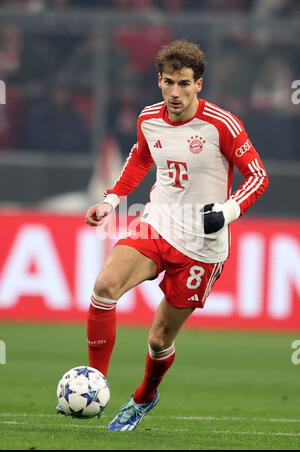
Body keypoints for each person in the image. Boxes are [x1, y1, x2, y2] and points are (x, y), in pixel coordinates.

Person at [59, 40, 269, 431]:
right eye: (168, 82)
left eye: (184, 84)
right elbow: (141, 157)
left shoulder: (222, 125)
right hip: (159, 222)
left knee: (158, 339)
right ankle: (94, 381)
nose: (175, 93)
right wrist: (111, 199)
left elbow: (258, 176)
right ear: (159, 80)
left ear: (198, 85)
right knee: (105, 286)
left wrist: (226, 211)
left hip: (203, 246)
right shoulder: (149, 118)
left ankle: (143, 397)